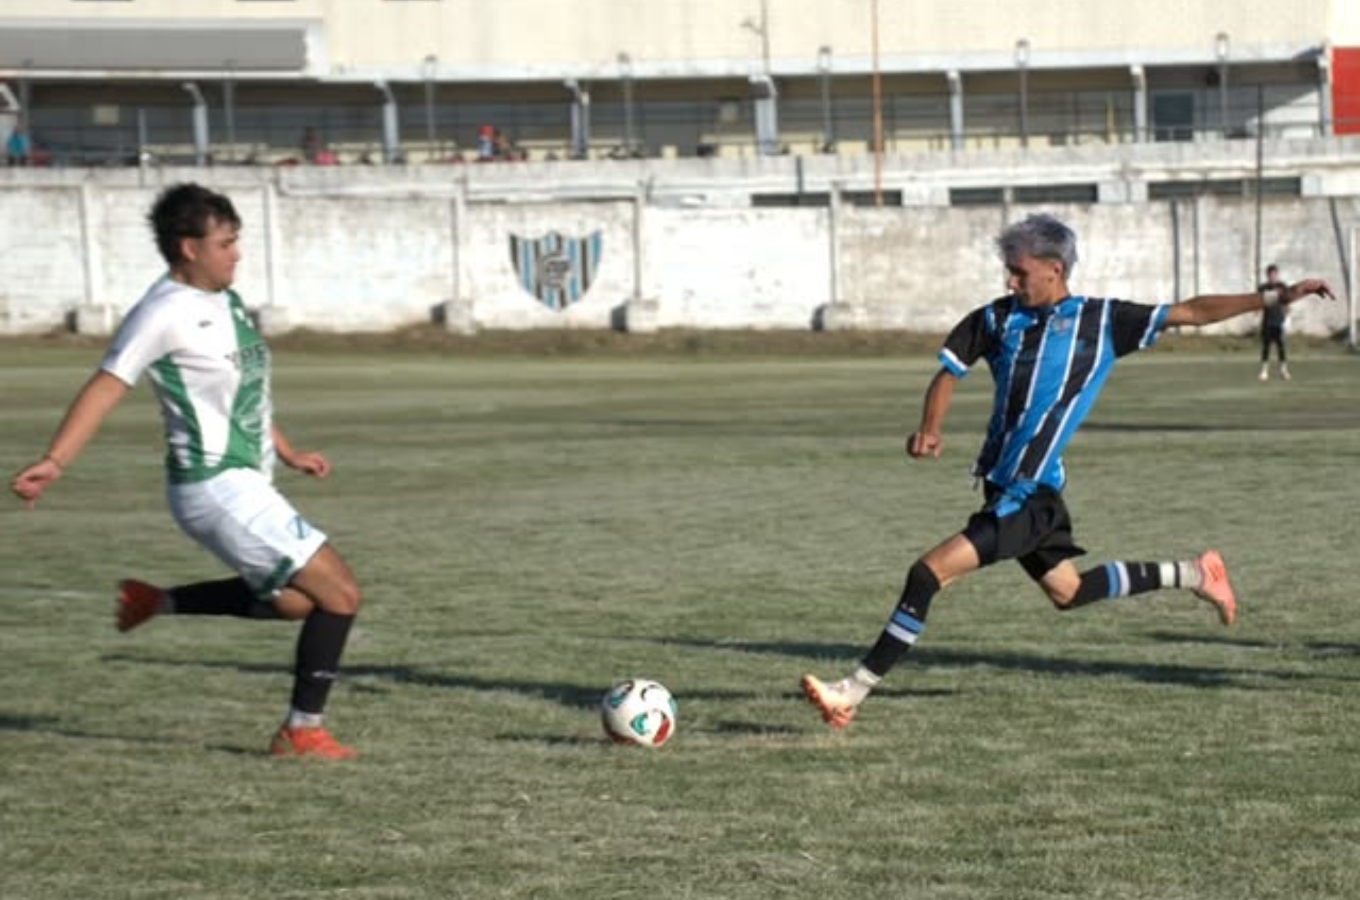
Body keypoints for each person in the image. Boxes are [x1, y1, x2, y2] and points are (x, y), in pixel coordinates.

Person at [802, 213, 1334, 730]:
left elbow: (1192, 311)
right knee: (1069, 592)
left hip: (1030, 497)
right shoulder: (996, 318)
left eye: (1020, 272)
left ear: (1055, 269)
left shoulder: (1101, 321)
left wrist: (1277, 297)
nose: (1011, 281)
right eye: (1008, 271)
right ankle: (1195, 574)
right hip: (1010, 488)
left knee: (927, 573)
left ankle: (850, 692)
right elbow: (949, 372)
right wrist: (929, 427)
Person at [10, 183, 363, 759]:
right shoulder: (162, 313)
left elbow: (239, 391)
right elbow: (106, 386)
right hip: (214, 485)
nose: (237, 253)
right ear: (188, 248)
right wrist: (56, 460)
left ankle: (158, 601)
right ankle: (302, 731)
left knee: (298, 602)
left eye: (237, 240)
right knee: (341, 593)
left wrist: (288, 450)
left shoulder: (226, 298)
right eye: (225, 243)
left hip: (246, 477)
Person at [1257, 263, 1290, 381]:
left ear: (1277, 275)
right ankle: (1264, 371)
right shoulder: (1263, 288)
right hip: (1267, 321)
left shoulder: (1283, 286)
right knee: (1266, 347)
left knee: (1281, 347)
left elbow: (1286, 302)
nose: (1273, 277)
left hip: (1279, 321)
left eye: (1275, 275)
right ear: (1267, 276)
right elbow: (1259, 302)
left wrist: (1286, 317)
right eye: (1270, 275)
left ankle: (1283, 371)